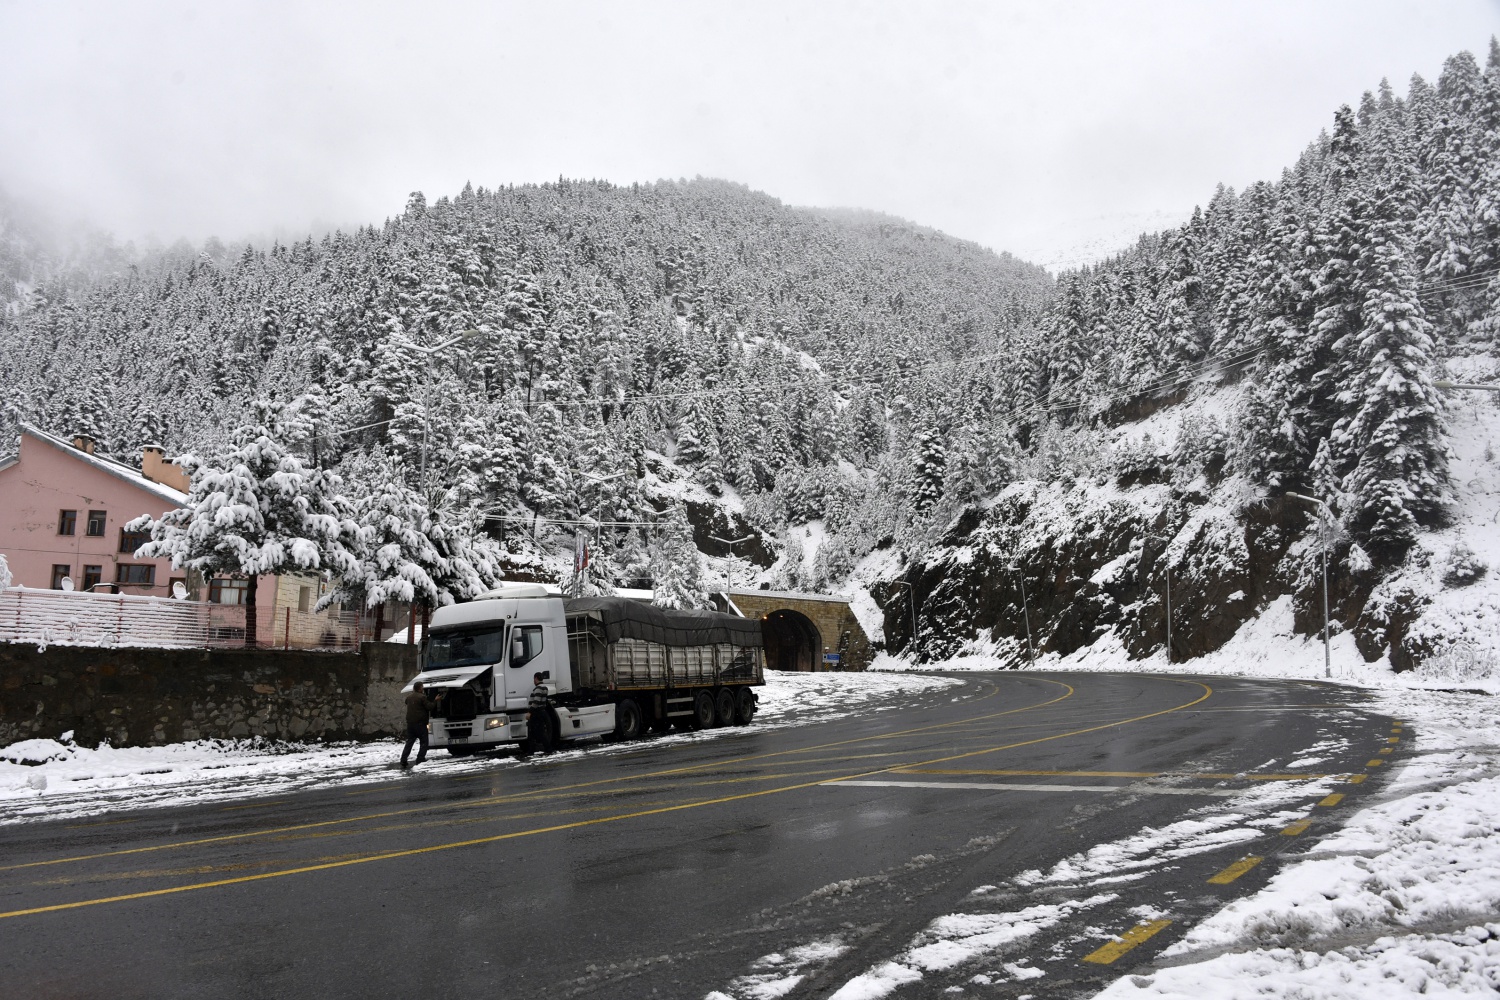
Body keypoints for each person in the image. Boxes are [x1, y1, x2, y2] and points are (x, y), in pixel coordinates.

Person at [401, 681, 437, 768]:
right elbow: (430, 707)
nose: (423, 688)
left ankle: (403, 760)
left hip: (410, 724)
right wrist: (435, 700)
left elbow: (407, 702)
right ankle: (420, 759)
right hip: (421, 724)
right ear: (420, 688)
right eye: (422, 687)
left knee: (409, 742)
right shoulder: (422, 697)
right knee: (424, 742)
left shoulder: (409, 697)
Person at [527, 672, 553, 753]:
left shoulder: (538, 688)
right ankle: (534, 750)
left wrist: (529, 712)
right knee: (537, 732)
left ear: (536, 678)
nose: (533, 681)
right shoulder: (545, 688)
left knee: (536, 732)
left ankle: (546, 749)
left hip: (536, 713)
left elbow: (536, 702)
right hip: (541, 712)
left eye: (534, 679)